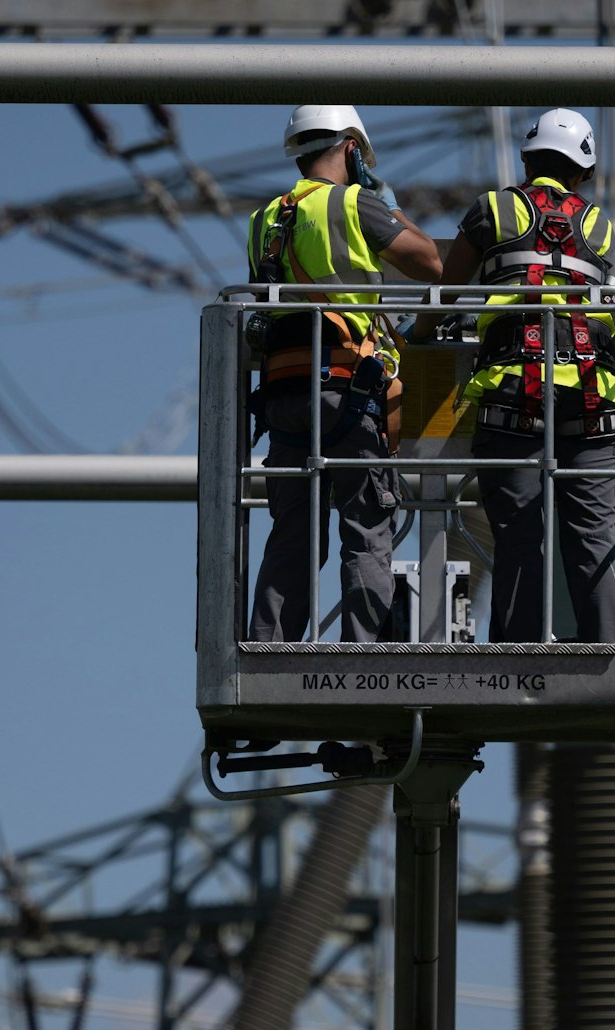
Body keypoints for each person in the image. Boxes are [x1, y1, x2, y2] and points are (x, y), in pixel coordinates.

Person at [417, 108, 615, 643]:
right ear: (583, 171)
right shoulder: (600, 226)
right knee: (594, 538)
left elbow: (446, 292)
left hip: (513, 392)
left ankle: (519, 658)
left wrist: (415, 335)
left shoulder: (492, 209)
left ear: (528, 161)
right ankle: (607, 655)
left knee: (518, 537)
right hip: (592, 396)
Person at [246, 104, 441, 642]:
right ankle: (362, 660)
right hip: (347, 387)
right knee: (366, 530)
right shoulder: (354, 203)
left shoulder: (265, 218)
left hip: (283, 394)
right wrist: (388, 206)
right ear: (352, 150)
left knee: (293, 534)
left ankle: (269, 651)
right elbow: (430, 262)